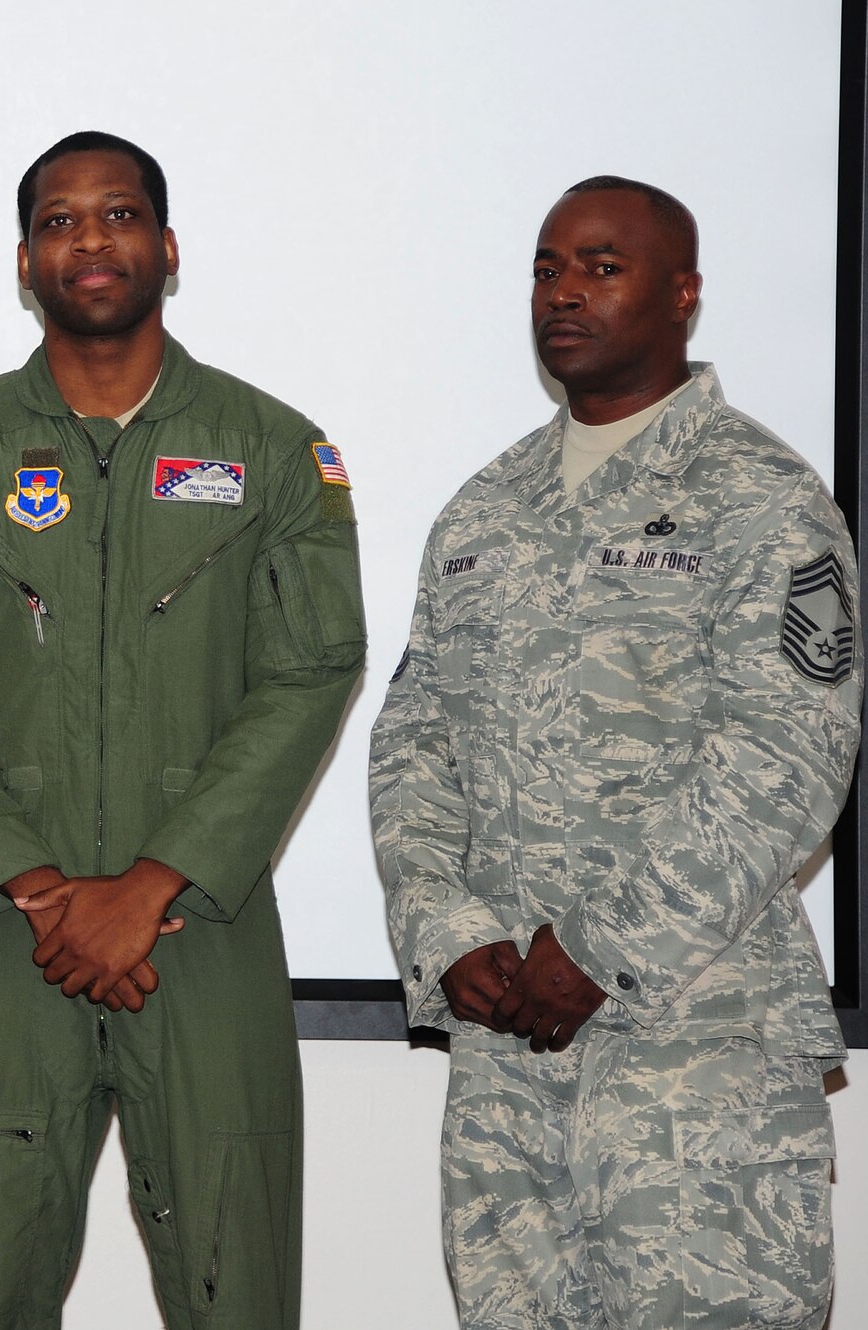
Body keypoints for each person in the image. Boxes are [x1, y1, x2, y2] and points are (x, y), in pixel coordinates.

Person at [0, 131, 366, 1330]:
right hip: (6, 939)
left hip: (201, 932)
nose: (90, 239)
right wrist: (39, 885)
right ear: (24, 262)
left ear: (167, 248)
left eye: (119, 213)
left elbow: (311, 671)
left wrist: (150, 881)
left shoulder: (274, 453)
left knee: (236, 1292)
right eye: (59, 221)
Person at [369, 177, 855, 1329]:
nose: (562, 292)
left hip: (700, 1060)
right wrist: (448, 934)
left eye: (599, 265)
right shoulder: (483, 510)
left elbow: (787, 755)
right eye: (545, 267)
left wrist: (598, 948)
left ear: (681, 294)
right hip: (507, 1072)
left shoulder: (760, 496)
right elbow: (413, 741)